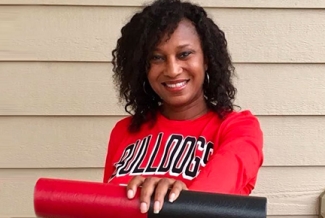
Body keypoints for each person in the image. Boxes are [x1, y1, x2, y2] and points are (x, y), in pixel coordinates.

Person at [103, 0, 263, 215]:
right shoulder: (125, 131)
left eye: (184, 54)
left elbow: (203, 206)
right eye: (157, 57)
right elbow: (106, 208)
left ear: (206, 58)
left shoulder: (238, 129)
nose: (172, 70)